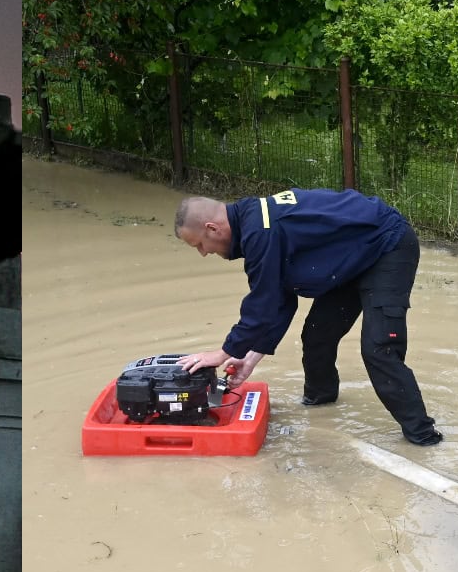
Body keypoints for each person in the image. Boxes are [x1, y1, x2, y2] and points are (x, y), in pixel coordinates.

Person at [173, 187, 442, 446]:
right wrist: (250, 357)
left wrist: (222, 353)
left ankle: (424, 437)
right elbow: (279, 299)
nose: (204, 252)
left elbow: (262, 304)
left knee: (379, 349)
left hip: (386, 246)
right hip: (350, 261)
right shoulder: (255, 227)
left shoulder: (260, 232)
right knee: (316, 336)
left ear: (212, 228)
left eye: (200, 244)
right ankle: (320, 407)